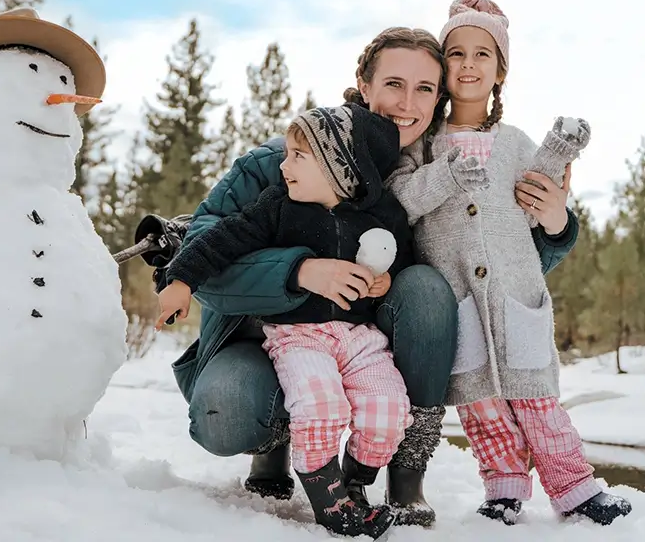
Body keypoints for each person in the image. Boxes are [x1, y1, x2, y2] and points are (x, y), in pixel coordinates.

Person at [168, 26, 579, 528]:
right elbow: (199, 252)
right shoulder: (285, 160)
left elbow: (495, 269)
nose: (408, 102)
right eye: (393, 84)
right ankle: (273, 441)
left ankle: (406, 474)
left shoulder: (438, 170)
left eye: (425, 88)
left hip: (365, 341)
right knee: (227, 411)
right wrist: (299, 270)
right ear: (364, 86)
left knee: (428, 289)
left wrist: (556, 226)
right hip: (263, 338)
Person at [386, 0, 632, 527]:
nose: (469, 65)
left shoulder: (515, 142)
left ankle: (575, 489)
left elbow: (543, 200)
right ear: (442, 65)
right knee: (481, 405)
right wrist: (448, 173)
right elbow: (400, 200)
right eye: (457, 53)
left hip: (516, 293)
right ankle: (503, 488)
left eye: (483, 54)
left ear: (501, 71)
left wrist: (560, 158)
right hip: (457, 297)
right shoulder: (422, 146)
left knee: (537, 397)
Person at [156, 104, 413, 538]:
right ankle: (330, 502)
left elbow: (403, 253)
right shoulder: (278, 207)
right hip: (299, 336)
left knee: (388, 408)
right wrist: (181, 279)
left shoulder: (379, 214)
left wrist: (384, 282)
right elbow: (223, 239)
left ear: (340, 167)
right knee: (319, 406)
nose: (284, 164)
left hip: (358, 337)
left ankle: (354, 479)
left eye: (298, 156)